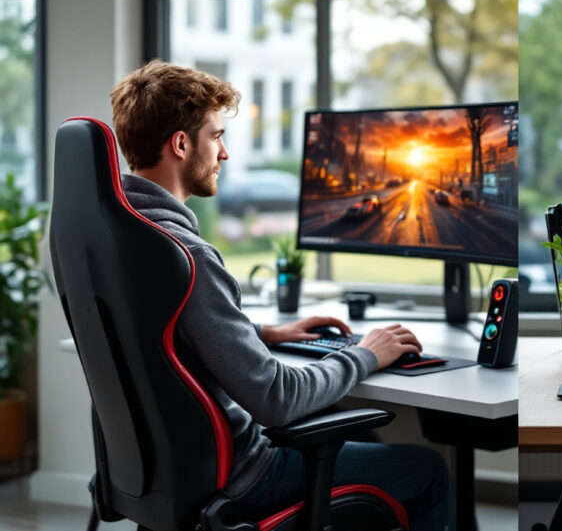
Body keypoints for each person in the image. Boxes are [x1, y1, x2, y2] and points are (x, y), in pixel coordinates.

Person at [109, 59, 450, 528]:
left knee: (358, 423)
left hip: (169, 473)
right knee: (428, 470)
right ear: (182, 144)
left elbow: (166, 332)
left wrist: (265, 331)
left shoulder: (121, 239)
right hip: (244, 478)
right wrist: (366, 354)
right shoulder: (188, 255)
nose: (224, 153)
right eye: (217, 136)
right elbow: (275, 397)